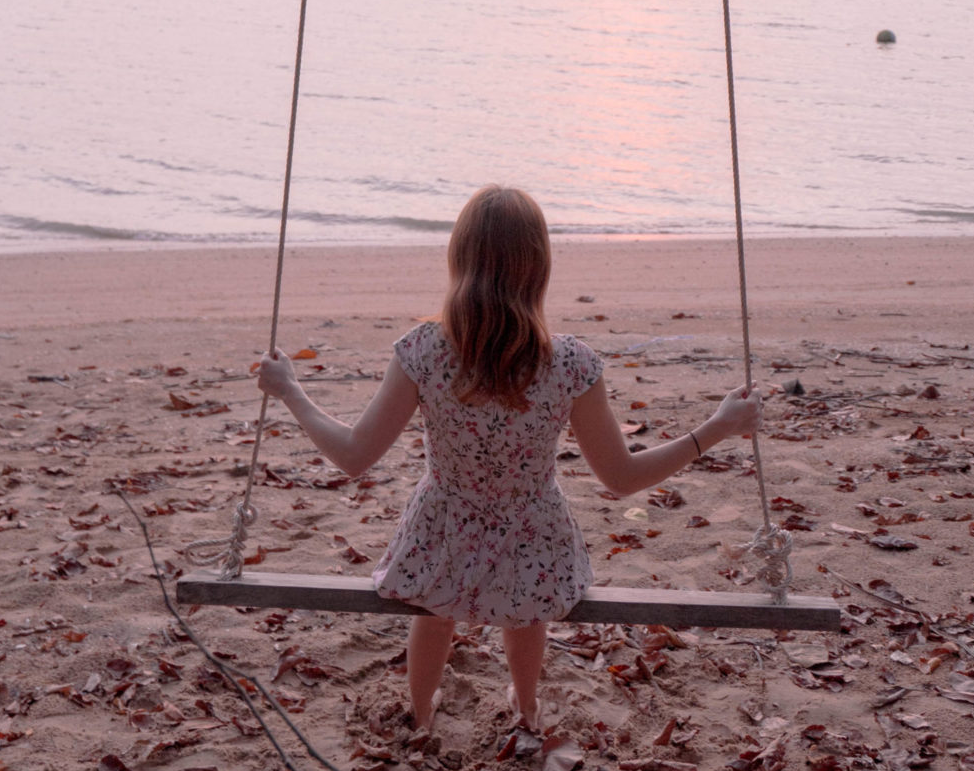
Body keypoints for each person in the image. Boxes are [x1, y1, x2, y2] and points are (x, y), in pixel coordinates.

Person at [256, 184, 762, 736]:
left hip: (441, 531)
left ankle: (423, 714)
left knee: (433, 611)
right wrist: (716, 428)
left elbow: (354, 456)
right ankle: (525, 707)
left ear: (459, 258)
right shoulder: (569, 363)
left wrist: (291, 393)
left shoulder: (423, 351)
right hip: (535, 535)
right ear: (539, 266)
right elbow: (621, 478)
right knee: (527, 611)